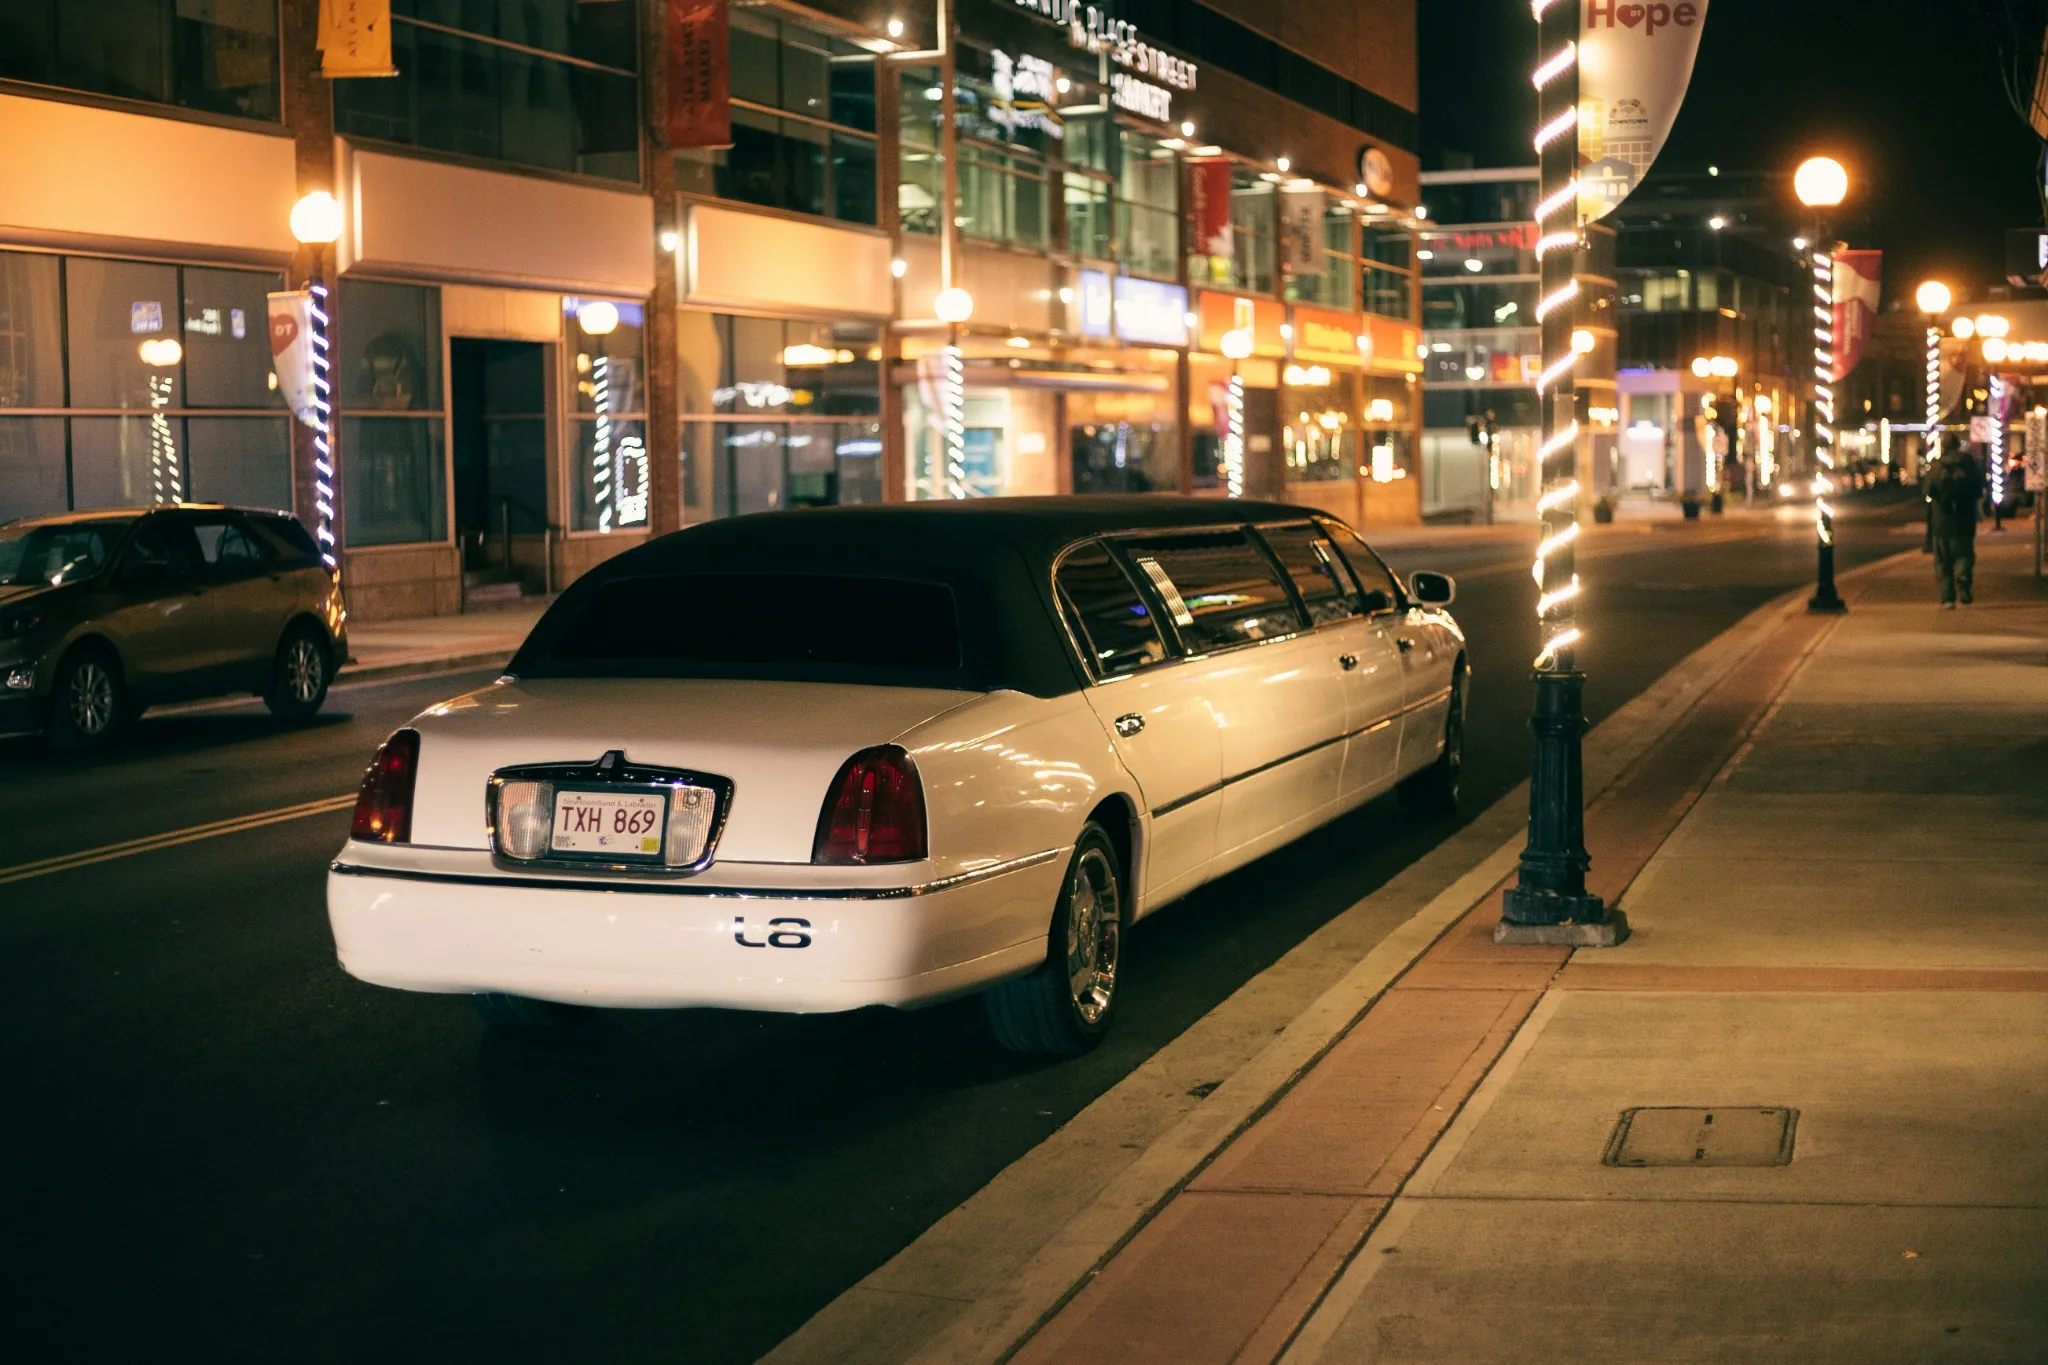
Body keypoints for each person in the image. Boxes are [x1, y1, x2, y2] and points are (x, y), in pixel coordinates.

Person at [1925, 441, 1986, 608]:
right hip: (1964, 522)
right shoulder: (1969, 466)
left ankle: (1948, 598)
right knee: (1965, 555)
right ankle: (1963, 577)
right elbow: (1979, 489)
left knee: (1943, 562)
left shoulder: (1936, 467)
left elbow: (1927, 491)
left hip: (1941, 523)